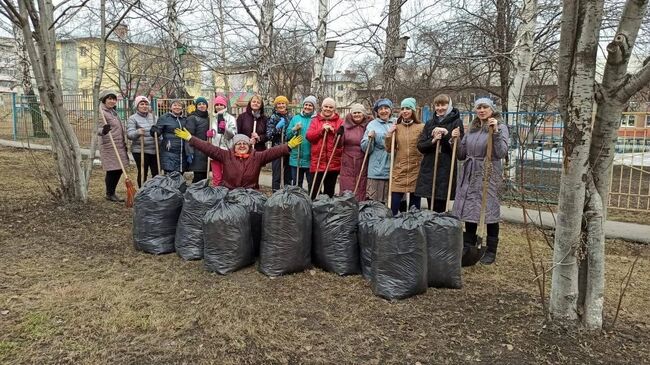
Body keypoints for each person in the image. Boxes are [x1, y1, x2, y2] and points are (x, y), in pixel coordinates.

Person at [453, 97, 509, 265]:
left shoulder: (501, 126)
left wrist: (496, 132)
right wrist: (455, 140)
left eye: (485, 107)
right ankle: (468, 245)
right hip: (470, 172)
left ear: (492, 109)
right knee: (470, 208)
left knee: (489, 210)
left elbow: (500, 152)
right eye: (479, 107)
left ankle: (491, 250)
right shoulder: (472, 128)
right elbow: (461, 155)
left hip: (488, 173)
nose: (481, 110)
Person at [173, 129, 303, 190]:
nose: (242, 146)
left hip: (250, 196)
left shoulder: (257, 157)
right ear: (234, 147)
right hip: (228, 195)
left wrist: (288, 146)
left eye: (245, 144)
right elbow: (208, 148)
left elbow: (272, 152)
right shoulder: (226, 155)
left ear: (249, 146)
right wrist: (191, 138)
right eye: (239, 144)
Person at [415, 94, 464, 212]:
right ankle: (431, 228)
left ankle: (440, 228)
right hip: (430, 168)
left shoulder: (456, 123)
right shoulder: (430, 123)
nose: (440, 108)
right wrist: (433, 140)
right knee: (430, 204)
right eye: (437, 105)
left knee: (440, 205)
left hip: (445, 168)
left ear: (449, 106)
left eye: (443, 105)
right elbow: (421, 146)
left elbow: (459, 149)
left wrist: (447, 134)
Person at [384, 97, 424, 215]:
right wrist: (389, 134)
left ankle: (412, 229)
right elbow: (389, 148)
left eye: (408, 108)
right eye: (402, 108)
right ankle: (394, 227)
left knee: (414, 207)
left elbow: (424, 146)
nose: (405, 111)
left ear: (413, 110)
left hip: (415, 169)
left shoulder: (421, 127)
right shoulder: (397, 127)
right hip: (400, 169)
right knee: (394, 204)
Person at [306, 97, 344, 200]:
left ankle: (327, 214)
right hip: (317, 163)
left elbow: (341, 143)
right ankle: (313, 212)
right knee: (314, 192)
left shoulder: (340, 122)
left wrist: (334, 131)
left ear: (334, 109)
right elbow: (309, 136)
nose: (328, 109)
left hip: (333, 163)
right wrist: (321, 130)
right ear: (322, 107)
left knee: (329, 193)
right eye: (326, 106)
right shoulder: (315, 121)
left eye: (330, 107)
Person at [97, 90, 129, 202]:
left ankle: (111, 191)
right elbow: (96, 129)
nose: (112, 101)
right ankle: (110, 193)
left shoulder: (112, 112)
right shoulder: (101, 112)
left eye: (114, 99)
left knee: (119, 169)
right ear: (104, 100)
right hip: (109, 145)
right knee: (112, 169)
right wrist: (103, 130)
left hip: (119, 144)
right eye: (110, 98)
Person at [361, 98, 394, 204]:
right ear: (377, 112)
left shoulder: (396, 123)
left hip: (394, 169)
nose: (383, 111)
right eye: (381, 109)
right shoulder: (372, 125)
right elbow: (365, 149)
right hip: (377, 170)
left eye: (386, 108)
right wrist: (370, 139)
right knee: (375, 203)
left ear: (390, 110)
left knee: (393, 203)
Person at [340, 103, 371, 202]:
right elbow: (338, 145)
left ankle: (360, 205)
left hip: (363, 158)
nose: (357, 115)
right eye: (354, 113)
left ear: (364, 114)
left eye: (359, 112)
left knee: (362, 183)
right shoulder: (345, 125)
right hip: (347, 160)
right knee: (347, 184)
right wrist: (339, 136)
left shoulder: (369, 125)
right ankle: (347, 206)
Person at [126, 95, 159, 187]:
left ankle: (155, 191)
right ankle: (142, 192)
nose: (144, 106)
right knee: (143, 172)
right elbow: (129, 135)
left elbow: (160, 132)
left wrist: (159, 134)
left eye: (146, 104)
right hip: (140, 150)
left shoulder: (154, 117)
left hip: (154, 149)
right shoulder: (133, 118)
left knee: (156, 173)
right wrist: (137, 132)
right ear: (137, 106)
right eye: (142, 104)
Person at [285, 95, 317, 190]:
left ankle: (311, 202)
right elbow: (288, 135)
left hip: (311, 158)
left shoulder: (316, 119)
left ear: (314, 107)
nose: (307, 107)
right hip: (296, 157)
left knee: (312, 184)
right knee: (296, 185)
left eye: (310, 105)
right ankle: (298, 203)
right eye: (306, 104)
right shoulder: (296, 118)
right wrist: (294, 129)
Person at [207, 95, 237, 186]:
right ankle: (217, 196)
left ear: (225, 106)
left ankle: (226, 195)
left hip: (226, 151)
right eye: (217, 104)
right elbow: (212, 135)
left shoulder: (230, 118)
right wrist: (210, 135)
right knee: (216, 177)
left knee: (226, 176)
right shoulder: (212, 118)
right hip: (214, 151)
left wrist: (225, 129)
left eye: (221, 104)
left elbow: (233, 134)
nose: (219, 106)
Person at [150, 99, 187, 174]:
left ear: (182, 108)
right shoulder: (164, 118)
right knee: (170, 178)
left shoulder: (185, 119)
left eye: (179, 105)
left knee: (180, 177)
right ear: (170, 107)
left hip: (182, 154)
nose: (177, 107)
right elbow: (157, 133)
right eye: (175, 105)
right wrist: (154, 130)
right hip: (168, 152)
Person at [266, 95, 294, 191]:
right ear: (276, 105)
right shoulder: (273, 117)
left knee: (288, 175)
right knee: (276, 174)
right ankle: (275, 195)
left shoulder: (291, 117)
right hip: (276, 149)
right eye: (279, 103)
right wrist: (277, 128)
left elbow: (292, 133)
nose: (281, 105)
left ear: (286, 105)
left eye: (283, 103)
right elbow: (269, 135)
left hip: (289, 148)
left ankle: (287, 194)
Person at [185, 96, 211, 183]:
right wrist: (189, 152)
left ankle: (202, 194)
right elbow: (189, 136)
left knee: (204, 176)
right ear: (196, 106)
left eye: (203, 104)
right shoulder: (192, 118)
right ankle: (195, 194)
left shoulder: (209, 118)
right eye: (199, 104)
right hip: (196, 151)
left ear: (207, 106)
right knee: (198, 177)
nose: (201, 106)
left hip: (206, 150)